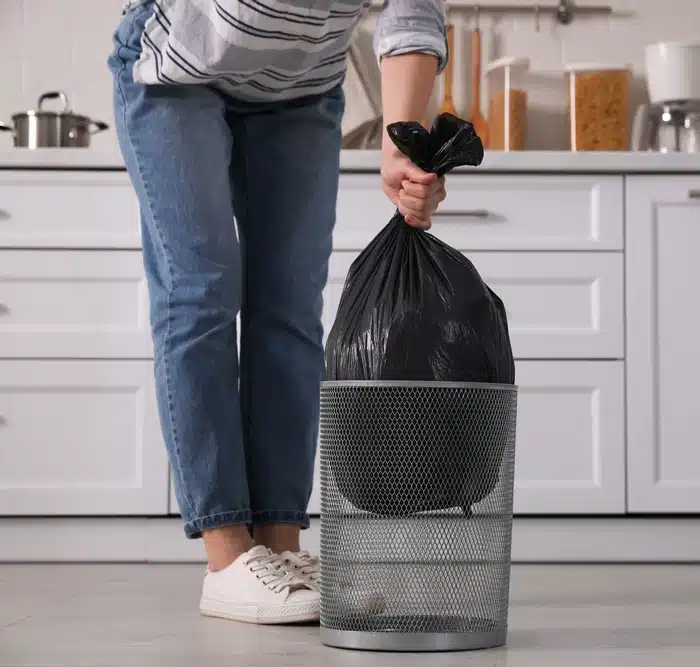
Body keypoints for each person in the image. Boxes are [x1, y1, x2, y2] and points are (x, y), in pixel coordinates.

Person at [108, 0, 448, 624]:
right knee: (200, 297)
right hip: (177, 67)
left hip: (302, 84)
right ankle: (228, 559)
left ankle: (281, 552)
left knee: (290, 308)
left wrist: (403, 139)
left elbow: (412, 15)